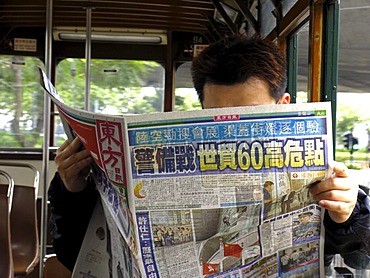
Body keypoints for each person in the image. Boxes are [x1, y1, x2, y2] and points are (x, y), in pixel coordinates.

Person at [49, 34, 370, 273]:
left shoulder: (316, 170)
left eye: (249, 115)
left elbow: (361, 255)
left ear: (282, 106)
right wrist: (72, 190)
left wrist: (347, 214)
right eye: (216, 116)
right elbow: (74, 255)